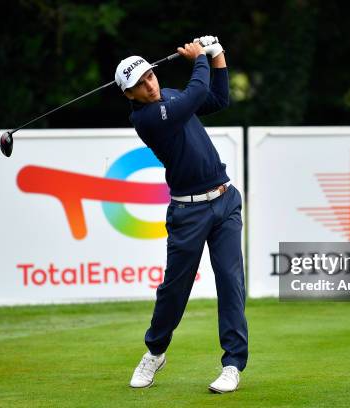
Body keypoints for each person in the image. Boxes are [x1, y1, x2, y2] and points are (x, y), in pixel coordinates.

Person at [114, 36, 248, 393]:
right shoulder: (147, 118)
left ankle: (233, 364)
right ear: (129, 95)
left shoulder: (170, 96)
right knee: (174, 289)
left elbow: (216, 98)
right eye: (139, 85)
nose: (148, 84)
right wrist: (200, 58)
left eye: (149, 76)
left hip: (225, 201)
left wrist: (218, 56)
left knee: (231, 282)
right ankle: (155, 352)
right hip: (188, 212)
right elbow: (195, 91)